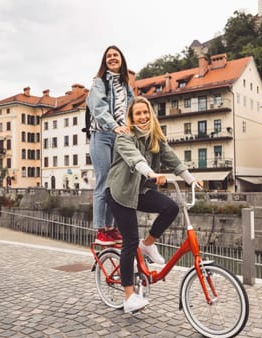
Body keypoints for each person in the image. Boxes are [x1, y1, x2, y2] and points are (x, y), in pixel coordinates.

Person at [105, 96, 203, 313]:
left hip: (140, 191)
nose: (143, 116)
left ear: (151, 114)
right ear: (131, 117)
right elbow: (135, 159)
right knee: (129, 241)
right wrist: (150, 172)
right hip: (120, 193)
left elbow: (173, 160)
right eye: (138, 113)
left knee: (171, 208)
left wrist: (191, 179)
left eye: (145, 112)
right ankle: (129, 296)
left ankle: (148, 243)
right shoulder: (125, 137)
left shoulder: (155, 138)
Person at [86, 45, 134, 246]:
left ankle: (111, 228)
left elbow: (130, 110)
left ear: (121, 59)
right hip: (102, 135)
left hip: (119, 137)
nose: (112, 58)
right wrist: (115, 126)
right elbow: (98, 108)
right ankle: (100, 230)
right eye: (109, 56)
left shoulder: (125, 86)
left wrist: (131, 130)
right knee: (104, 180)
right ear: (104, 61)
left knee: (115, 184)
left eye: (115, 55)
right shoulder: (99, 82)